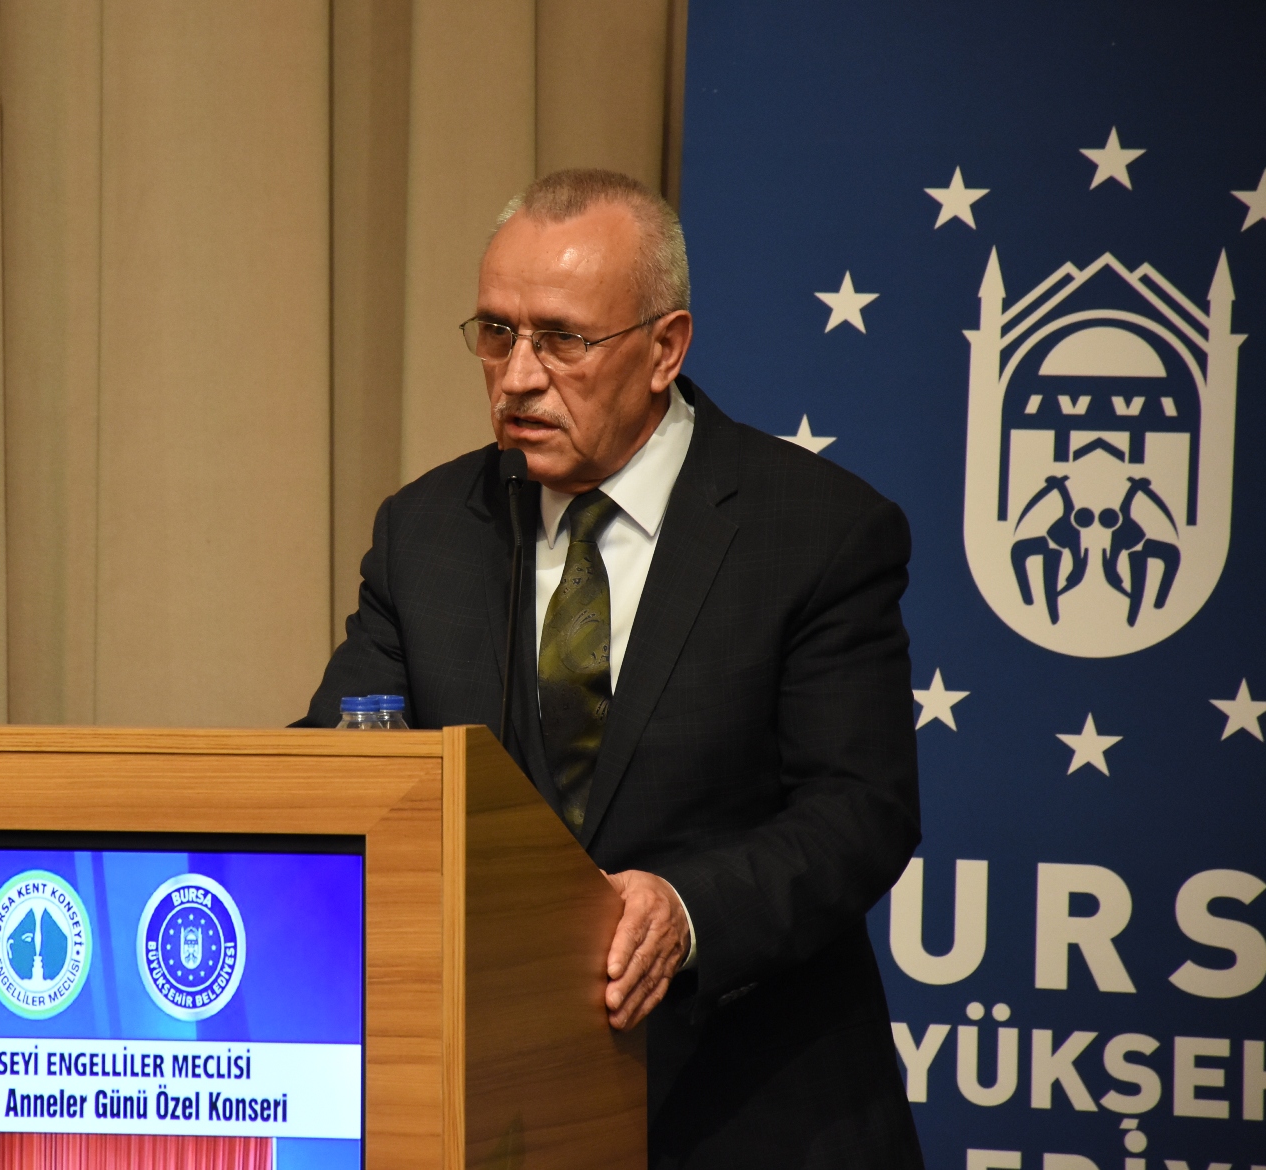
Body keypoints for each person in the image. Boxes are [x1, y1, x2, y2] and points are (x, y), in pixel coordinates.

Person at [297, 169, 923, 1169]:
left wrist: (686, 910)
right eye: (496, 333)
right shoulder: (427, 532)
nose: (516, 376)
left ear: (664, 348)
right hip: (495, 1110)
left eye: (560, 340)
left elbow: (859, 811)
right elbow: (339, 763)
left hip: (747, 1107)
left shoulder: (816, 531)